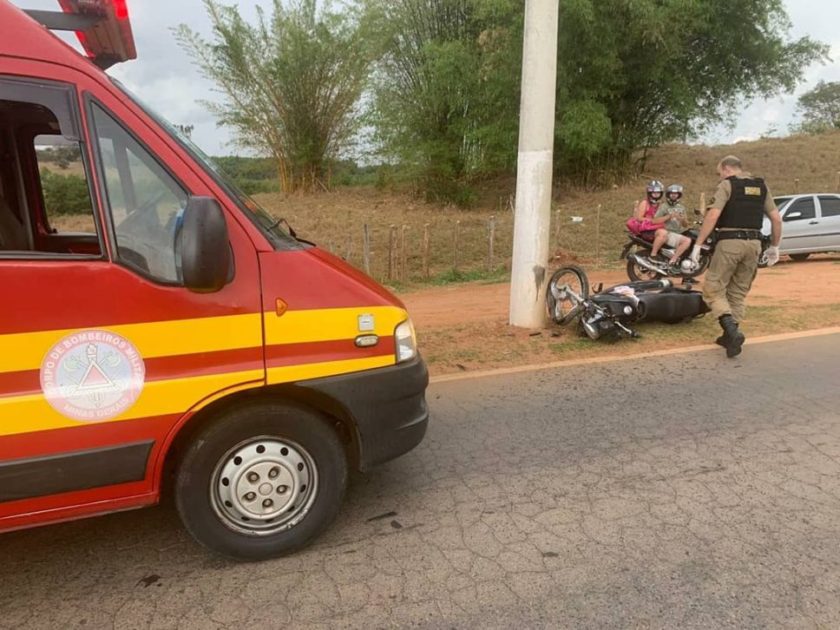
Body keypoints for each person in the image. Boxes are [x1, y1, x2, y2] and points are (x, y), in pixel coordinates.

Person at [689, 155, 782, 358]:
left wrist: (697, 245)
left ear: (726, 169)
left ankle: (732, 330)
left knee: (713, 288)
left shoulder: (727, 185)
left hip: (730, 242)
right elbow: (775, 218)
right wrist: (775, 247)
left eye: (719, 172)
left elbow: (713, 215)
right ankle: (730, 339)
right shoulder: (761, 186)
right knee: (738, 291)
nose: (719, 176)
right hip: (754, 245)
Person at [649, 184, 691, 264]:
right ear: (668, 195)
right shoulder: (664, 206)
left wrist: (682, 220)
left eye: (676, 194)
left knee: (688, 240)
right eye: (672, 194)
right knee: (686, 240)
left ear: (679, 195)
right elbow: (654, 221)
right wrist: (668, 216)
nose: (674, 196)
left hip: (677, 233)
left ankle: (673, 259)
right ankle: (657, 257)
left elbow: (686, 225)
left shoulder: (681, 207)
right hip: (666, 232)